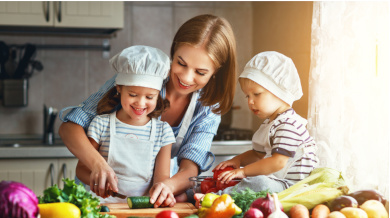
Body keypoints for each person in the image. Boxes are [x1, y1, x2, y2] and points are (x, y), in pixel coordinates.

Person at [58, 14, 237, 207]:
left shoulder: (208, 108)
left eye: (200, 72)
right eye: (181, 63)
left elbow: (189, 167)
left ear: (216, 71)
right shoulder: (139, 76)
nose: (186, 77)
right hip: (95, 198)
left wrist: (167, 187)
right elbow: (70, 127)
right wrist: (98, 165)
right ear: (174, 50)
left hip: (143, 201)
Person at [75, 45, 176, 204]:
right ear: (119, 88)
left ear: (158, 96)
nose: (140, 103)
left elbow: (161, 179)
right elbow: (81, 170)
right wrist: (97, 182)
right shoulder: (101, 124)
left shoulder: (163, 132)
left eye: (150, 97)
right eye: (133, 95)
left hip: (141, 209)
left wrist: (162, 192)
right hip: (102, 206)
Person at [212, 51, 318, 195]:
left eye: (256, 94)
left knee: (259, 182)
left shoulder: (289, 124)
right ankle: (208, 191)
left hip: (294, 188)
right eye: (247, 96)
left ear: (279, 91)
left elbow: (278, 162)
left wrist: (243, 172)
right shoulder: (272, 123)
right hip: (279, 183)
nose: (250, 101)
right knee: (253, 180)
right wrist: (237, 160)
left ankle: (217, 197)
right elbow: (257, 155)